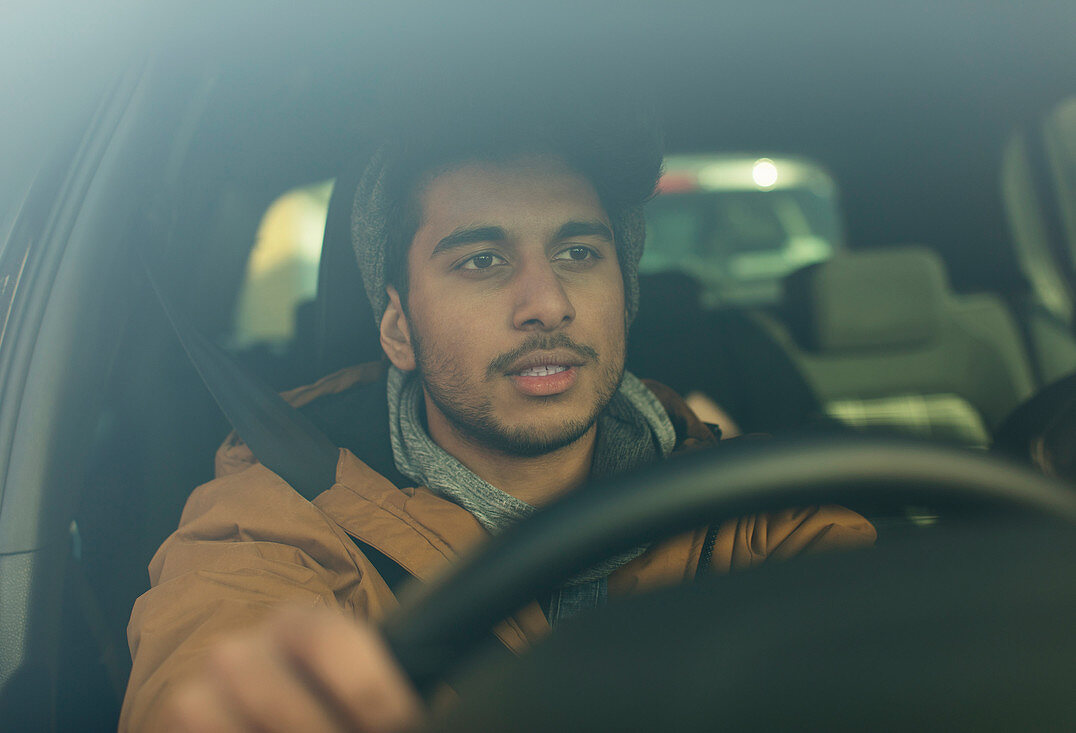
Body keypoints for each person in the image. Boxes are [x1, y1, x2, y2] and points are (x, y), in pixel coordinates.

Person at [120, 110, 876, 732]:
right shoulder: (275, 524)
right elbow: (218, 653)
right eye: (481, 260)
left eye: (579, 250)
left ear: (624, 293)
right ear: (397, 329)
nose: (547, 302)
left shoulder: (750, 510)